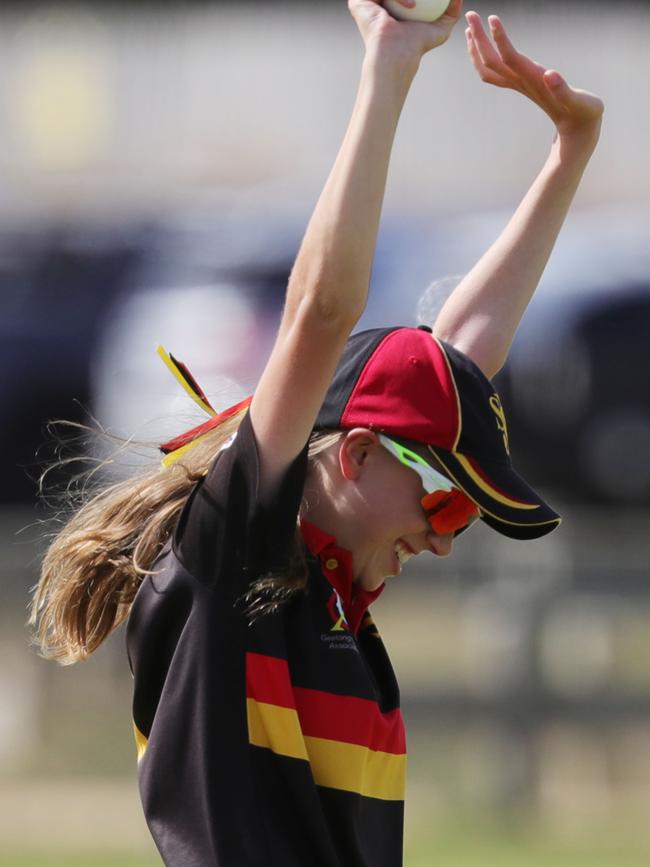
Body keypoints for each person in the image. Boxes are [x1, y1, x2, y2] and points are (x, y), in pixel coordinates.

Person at [30, 2, 603, 865]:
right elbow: (321, 311)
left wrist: (570, 154)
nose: (444, 540)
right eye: (444, 503)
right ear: (361, 453)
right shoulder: (237, 559)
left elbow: (459, 357)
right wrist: (391, 63)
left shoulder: (327, 592)